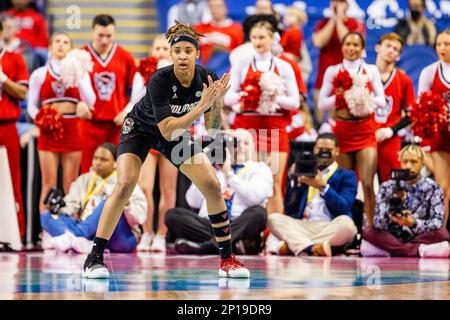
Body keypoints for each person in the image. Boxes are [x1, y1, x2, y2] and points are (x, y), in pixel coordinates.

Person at [81, 21, 250, 279]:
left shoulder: (207, 79)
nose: (182, 55)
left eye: (187, 51)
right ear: (171, 55)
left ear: (197, 54)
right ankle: (94, 258)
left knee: (213, 186)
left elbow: (214, 129)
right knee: (125, 184)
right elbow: (167, 129)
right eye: (177, 51)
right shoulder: (159, 79)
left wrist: (214, 105)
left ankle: (227, 260)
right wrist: (199, 107)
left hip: (174, 132)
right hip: (140, 129)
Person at [224, 20, 300, 215]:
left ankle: (274, 235)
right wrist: (249, 95)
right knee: (247, 179)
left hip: (274, 127)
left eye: (262, 37)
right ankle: (251, 233)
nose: (257, 41)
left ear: (272, 38)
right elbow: (227, 97)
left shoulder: (284, 66)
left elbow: (295, 102)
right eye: (254, 37)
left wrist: (273, 96)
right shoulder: (242, 64)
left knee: (274, 183)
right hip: (247, 128)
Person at [167, 128, 272, 255]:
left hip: (239, 222)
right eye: (236, 143)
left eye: (246, 143)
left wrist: (229, 174)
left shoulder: (260, 169)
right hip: (211, 224)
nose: (241, 148)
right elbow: (192, 201)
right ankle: (231, 244)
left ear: (254, 147)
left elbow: (255, 198)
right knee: (173, 215)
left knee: (259, 213)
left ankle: (209, 246)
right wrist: (203, 169)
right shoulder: (212, 169)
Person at [318, 32, 385, 227]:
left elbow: (381, 100)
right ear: (342, 46)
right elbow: (322, 103)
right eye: (348, 44)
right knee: (343, 185)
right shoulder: (332, 71)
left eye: (356, 45)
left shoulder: (370, 70)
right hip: (342, 133)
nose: (351, 48)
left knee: (367, 183)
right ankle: (344, 229)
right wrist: (342, 97)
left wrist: (363, 96)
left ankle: (371, 229)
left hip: (365, 132)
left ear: (362, 48)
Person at [27, 32, 96, 212]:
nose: (61, 44)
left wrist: (79, 75)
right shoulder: (39, 74)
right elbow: (31, 106)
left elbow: (91, 100)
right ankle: (46, 228)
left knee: (71, 182)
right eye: (57, 41)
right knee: (48, 182)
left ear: (70, 48)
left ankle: (70, 226)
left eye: (66, 42)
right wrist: (41, 120)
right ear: (49, 46)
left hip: (72, 127)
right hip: (49, 129)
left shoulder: (79, 72)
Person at [40, 143, 147, 253]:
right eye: (95, 158)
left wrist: (126, 204)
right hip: (90, 233)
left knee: (109, 203)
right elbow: (71, 206)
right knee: (47, 215)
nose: (98, 163)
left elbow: (140, 218)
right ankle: (79, 241)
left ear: (115, 163)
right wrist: (58, 208)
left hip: (118, 236)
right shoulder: (84, 179)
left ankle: (73, 237)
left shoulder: (124, 182)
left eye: (103, 160)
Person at [268, 133, 357, 256]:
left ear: (337, 151)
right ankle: (314, 248)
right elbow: (289, 209)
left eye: (328, 150)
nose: (323, 153)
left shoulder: (346, 175)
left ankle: (296, 246)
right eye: (320, 149)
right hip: (303, 225)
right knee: (273, 219)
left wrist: (323, 187)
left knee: (347, 224)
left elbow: (344, 206)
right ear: (314, 149)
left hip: (330, 225)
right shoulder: (305, 170)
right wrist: (295, 181)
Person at [79, 14, 142, 173]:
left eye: (109, 36)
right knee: (87, 171)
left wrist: (127, 111)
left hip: (117, 125)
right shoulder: (80, 56)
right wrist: (78, 105)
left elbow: (135, 92)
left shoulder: (125, 57)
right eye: (100, 35)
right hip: (89, 125)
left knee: (117, 172)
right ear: (92, 32)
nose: (105, 40)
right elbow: (71, 90)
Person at [362, 144, 450, 258]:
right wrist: (393, 217)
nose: (409, 166)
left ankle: (394, 251)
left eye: (414, 162)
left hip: (420, 235)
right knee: (369, 232)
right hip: (392, 235)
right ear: (400, 163)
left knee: (443, 233)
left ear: (422, 164)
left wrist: (413, 223)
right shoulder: (387, 187)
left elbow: (437, 222)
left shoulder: (432, 188)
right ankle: (416, 251)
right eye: (405, 161)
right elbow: (378, 223)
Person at [136, 35, 177, 252]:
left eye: (165, 48)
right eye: (157, 48)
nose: (160, 51)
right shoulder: (142, 72)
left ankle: (161, 234)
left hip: (172, 133)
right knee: (144, 187)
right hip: (148, 131)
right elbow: (135, 101)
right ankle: (146, 233)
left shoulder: (180, 73)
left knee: (168, 189)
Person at [312, 0, 365, 123]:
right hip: (322, 81)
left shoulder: (355, 24)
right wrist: (333, 19)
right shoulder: (322, 23)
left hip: (347, 83)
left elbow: (346, 41)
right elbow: (318, 42)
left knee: (341, 121)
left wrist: (339, 20)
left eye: (340, 1)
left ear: (347, 4)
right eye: (334, 1)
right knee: (321, 123)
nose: (336, 4)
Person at [418, 29, 450, 228]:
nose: (442, 48)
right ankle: (441, 232)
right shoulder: (429, 71)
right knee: (443, 186)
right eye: (439, 44)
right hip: (440, 136)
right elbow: (420, 106)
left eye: (447, 44)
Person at [374, 33, 416, 183]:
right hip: (365, 137)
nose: (391, 50)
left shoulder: (404, 80)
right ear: (377, 47)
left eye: (396, 49)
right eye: (388, 46)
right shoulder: (364, 74)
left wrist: (390, 130)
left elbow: (412, 114)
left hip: (390, 140)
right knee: (362, 185)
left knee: (393, 185)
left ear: (398, 56)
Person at [0, 19, 28, 239]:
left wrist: (3, 79)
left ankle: (14, 235)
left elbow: (21, 93)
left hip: (6, 125)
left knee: (12, 179)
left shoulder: (14, 58)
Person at [194, 0, 243, 66]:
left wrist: (225, 50)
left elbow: (240, 53)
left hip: (224, 67)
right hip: (202, 65)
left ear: (225, 8)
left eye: (218, 7)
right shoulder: (199, 27)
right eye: (212, 7)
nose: (215, 10)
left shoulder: (237, 29)